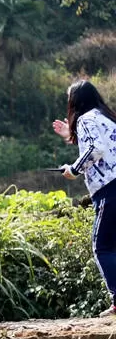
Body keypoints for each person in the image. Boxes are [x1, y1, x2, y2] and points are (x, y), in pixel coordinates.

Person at [52, 80, 116, 318]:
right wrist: (71, 137)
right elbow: (103, 145)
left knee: (102, 247)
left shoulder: (85, 118)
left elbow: (95, 150)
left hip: (109, 188)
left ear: (76, 101)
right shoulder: (105, 116)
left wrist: (73, 169)